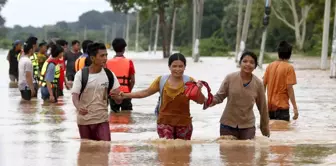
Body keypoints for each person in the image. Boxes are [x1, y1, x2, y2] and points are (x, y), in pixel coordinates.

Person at [111, 53, 206, 140]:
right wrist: (124, 95)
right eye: (174, 66)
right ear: (169, 67)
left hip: (184, 123)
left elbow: (200, 101)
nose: (178, 69)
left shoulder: (190, 82)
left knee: (183, 154)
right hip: (164, 123)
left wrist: (199, 90)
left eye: (181, 66)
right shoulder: (161, 80)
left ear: (185, 67)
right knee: (165, 152)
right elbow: (145, 93)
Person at [209, 51, 270, 140]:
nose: (248, 64)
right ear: (240, 63)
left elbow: (263, 108)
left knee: (247, 152)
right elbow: (219, 97)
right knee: (227, 153)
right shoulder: (230, 78)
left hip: (248, 126)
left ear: (255, 66)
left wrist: (265, 131)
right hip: (227, 125)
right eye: (245, 61)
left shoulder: (258, 84)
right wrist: (207, 101)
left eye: (251, 62)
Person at [71, 42, 121, 141]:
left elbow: (118, 98)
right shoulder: (81, 75)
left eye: (106, 55)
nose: (105, 58)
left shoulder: (109, 74)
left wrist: (118, 98)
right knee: (86, 152)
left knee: (105, 148)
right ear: (92, 58)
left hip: (102, 119)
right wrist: (78, 106)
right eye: (102, 56)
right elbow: (75, 96)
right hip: (84, 120)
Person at [263, 41, 298, 121]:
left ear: (278, 52)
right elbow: (290, 88)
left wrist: (263, 105)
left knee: (272, 132)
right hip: (282, 108)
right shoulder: (289, 68)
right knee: (284, 131)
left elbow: (263, 86)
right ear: (290, 54)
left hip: (270, 108)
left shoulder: (269, 66)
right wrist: (295, 108)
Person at [106, 38, 135, 112]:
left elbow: (105, 81)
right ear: (124, 48)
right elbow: (133, 81)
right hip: (125, 93)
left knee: (113, 116)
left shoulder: (107, 63)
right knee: (127, 116)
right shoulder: (129, 62)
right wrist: (128, 91)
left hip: (113, 94)